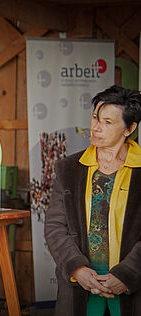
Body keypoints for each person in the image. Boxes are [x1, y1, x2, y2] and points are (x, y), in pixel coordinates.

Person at [44, 85, 141, 316]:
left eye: (108, 122)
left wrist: (126, 275)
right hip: (81, 288)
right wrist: (77, 269)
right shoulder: (69, 168)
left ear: (130, 129)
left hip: (130, 290)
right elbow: (55, 226)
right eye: (95, 117)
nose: (96, 127)